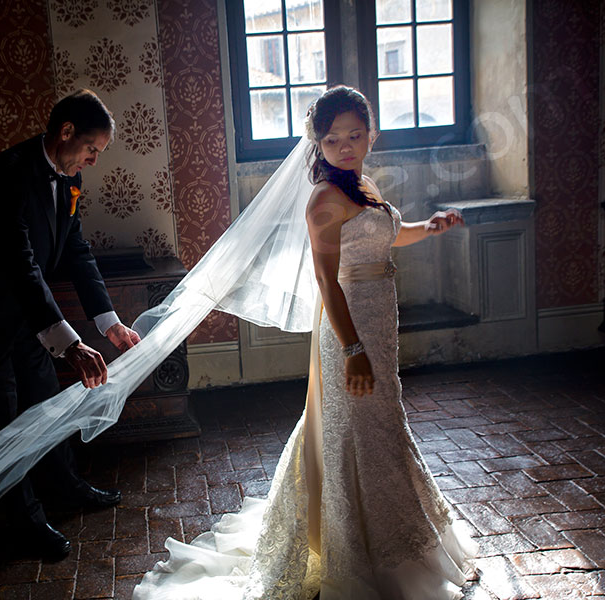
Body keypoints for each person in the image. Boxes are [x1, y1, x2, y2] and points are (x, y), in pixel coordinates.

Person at [133, 85, 477, 599]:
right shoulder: (324, 198)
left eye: (355, 135)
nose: (345, 146)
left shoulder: (364, 184)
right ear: (318, 143)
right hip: (348, 328)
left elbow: (388, 232)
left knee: (381, 424)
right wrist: (353, 350)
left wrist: (429, 227)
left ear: (370, 135)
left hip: (379, 323)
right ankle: (347, 546)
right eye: (333, 138)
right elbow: (326, 281)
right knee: (352, 431)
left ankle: (391, 530)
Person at [0, 89, 141, 562]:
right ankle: (27, 521)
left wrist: (109, 323)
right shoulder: (6, 175)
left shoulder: (68, 178)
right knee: (8, 425)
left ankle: (66, 487)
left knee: (46, 409)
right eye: (92, 150)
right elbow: (21, 265)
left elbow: (75, 250)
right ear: (65, 132)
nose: (93, 161)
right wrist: (71, 343)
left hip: (31, 322)